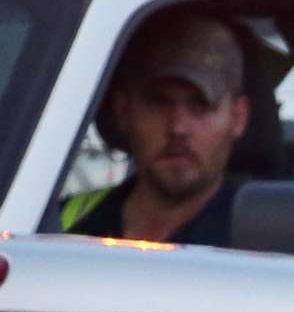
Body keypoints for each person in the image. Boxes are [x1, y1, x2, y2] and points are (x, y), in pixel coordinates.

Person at [63, 13, 254, 245]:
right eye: (159, 103)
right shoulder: (64, 226)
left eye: (200, 105)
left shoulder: (263, 240)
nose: (178, 127)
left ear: (238, 117)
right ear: (123, 111)